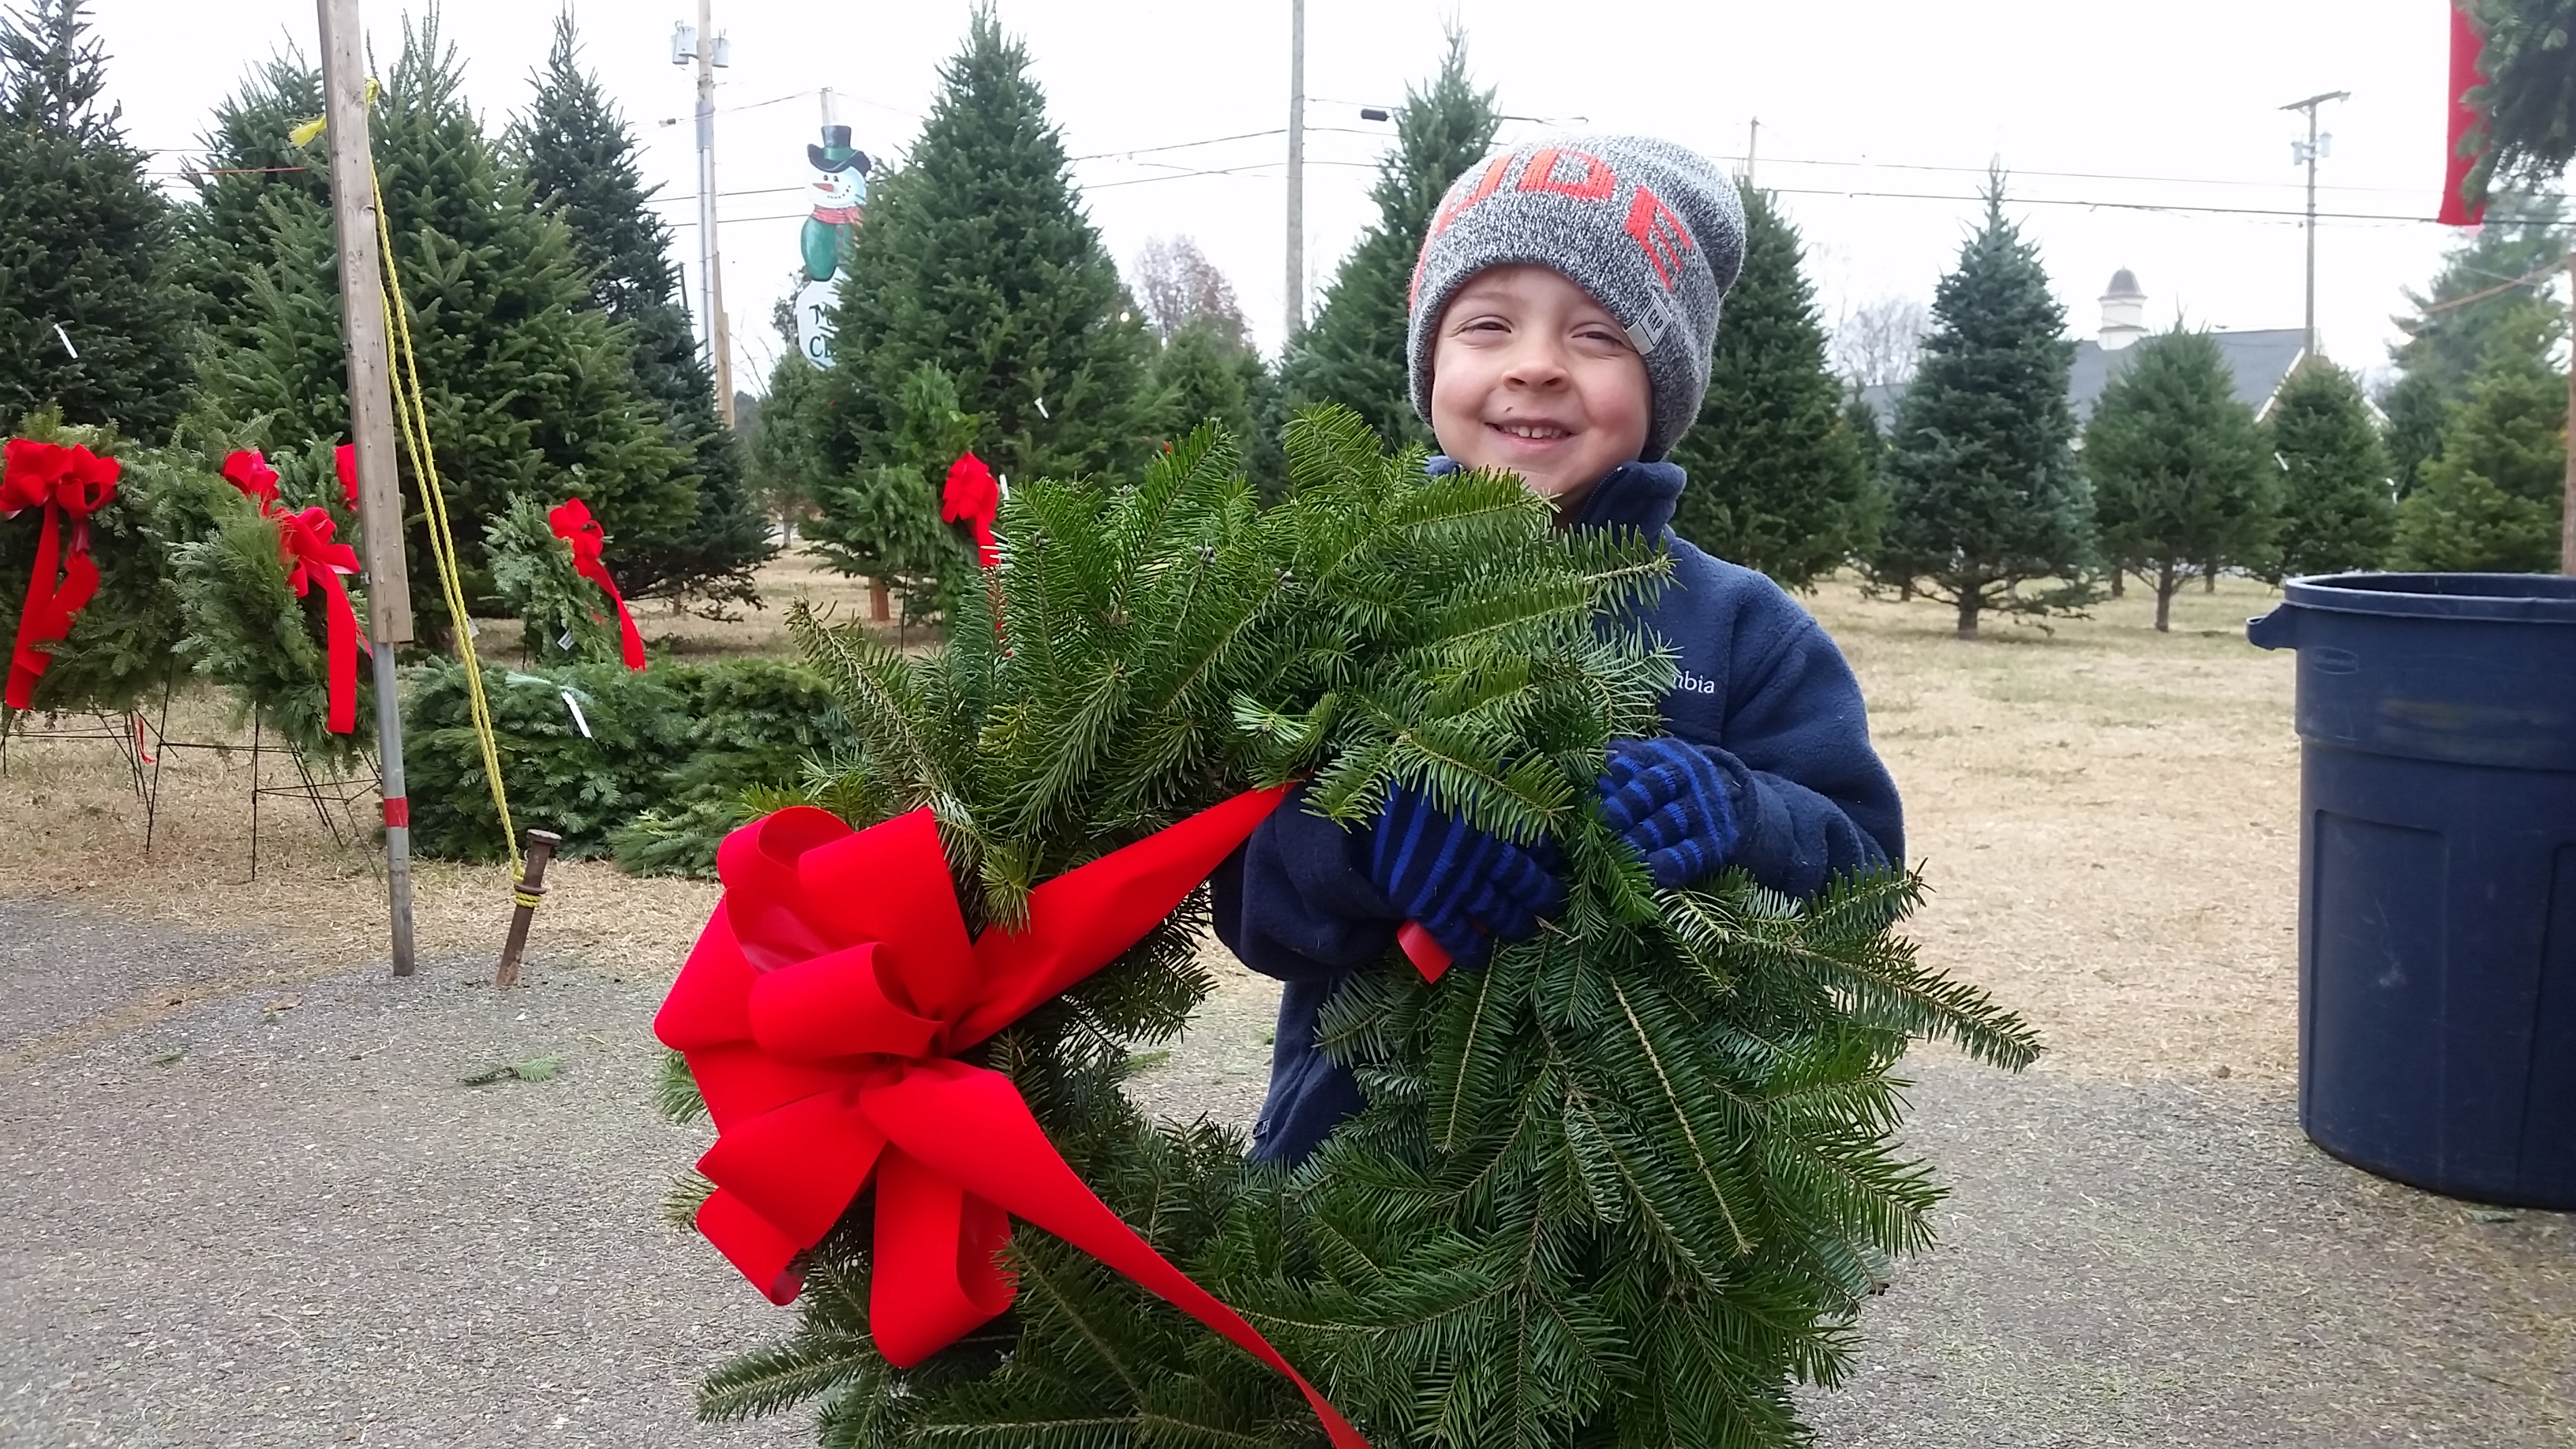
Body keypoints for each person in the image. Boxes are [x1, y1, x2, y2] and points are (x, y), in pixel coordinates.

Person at [1210, 136, 1905, 1166]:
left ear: (1662, 384)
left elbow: (1865, 873)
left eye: (1596, 335)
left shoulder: (1742, 628)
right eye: (1487, 325)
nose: (1535, 364)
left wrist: (1741, 813)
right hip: (1348, 1202)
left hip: (1654, 1210)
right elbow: (1247, 901)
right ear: (1433, 363)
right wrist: (1358, 842)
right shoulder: (1340, 600)